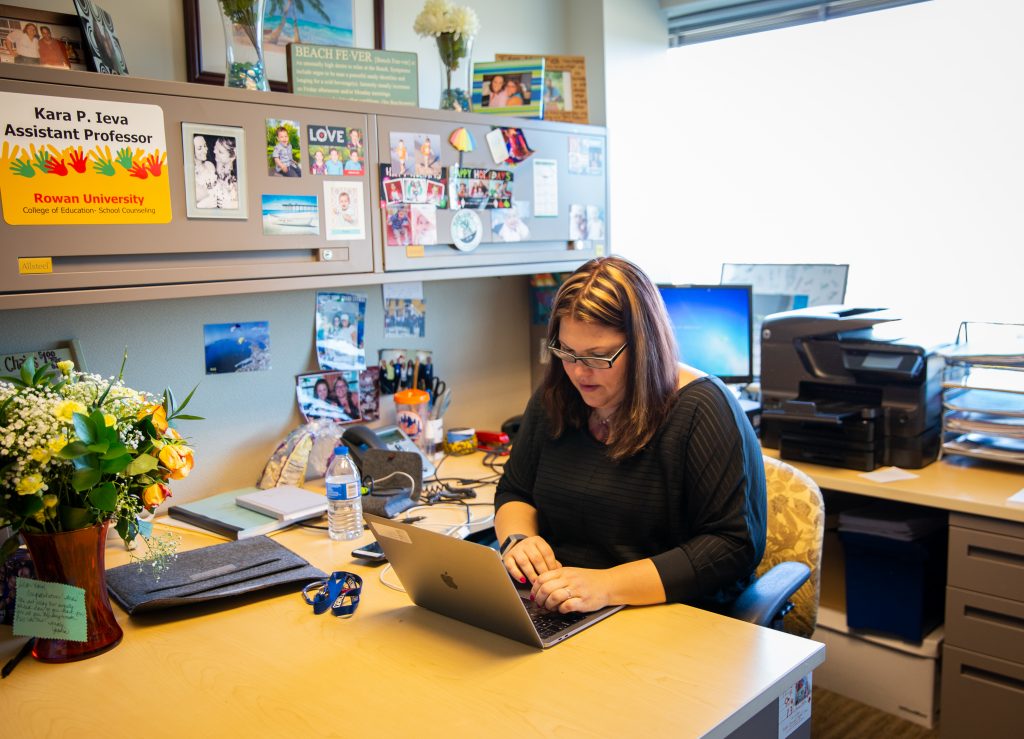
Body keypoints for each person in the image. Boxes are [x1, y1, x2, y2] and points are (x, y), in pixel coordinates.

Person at [494, 256, 767, 616]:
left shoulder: (702, 408)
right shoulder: (558, 395)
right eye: (567, 352)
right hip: (567, 605)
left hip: (672, 614)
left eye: (599, 356)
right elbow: (516, 490)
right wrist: (519, 540)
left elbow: (732, 546)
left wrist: (606, 585)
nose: (579, 373)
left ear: (644, 347)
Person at [211, 137, 238, 209]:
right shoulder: (210, 168)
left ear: (232, 156)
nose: (214, 151)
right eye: (215, 148)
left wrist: (232, 205)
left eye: (220, 151)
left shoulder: (238, 177)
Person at [192, 135, 218, 209]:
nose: (205, 150)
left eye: (205, 145)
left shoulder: (210, 165)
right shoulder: (189, 173)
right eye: (199, 148)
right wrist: (202, 204)